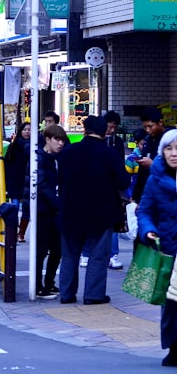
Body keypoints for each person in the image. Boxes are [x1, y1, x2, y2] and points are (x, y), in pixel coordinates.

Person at [57, 116, 130, 305]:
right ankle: (93, 295)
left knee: (70, 255)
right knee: (98, 255)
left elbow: (61, 181)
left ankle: (66, 294)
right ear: (104, 131)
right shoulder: (109, 154)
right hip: (102, 212)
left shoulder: (68, 152)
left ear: (85, 130)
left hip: (71, 211)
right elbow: (123, 181)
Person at [136, 129, 177, 366]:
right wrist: (148, 230)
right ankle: (173, 346)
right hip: (169, 249)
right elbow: (145, 210)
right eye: (169, 148)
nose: (174, 154)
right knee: (171, 301)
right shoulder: (155, 178)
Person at [35, 125, 67, 299]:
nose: (60, 143)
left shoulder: (57, 159)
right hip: (43, 210)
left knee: (57, 249)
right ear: (47, 139)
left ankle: (49, 283)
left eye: (62, 140)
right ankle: (39, 285)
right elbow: (42, 186)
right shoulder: (39, 158)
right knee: (42, 250)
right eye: (57, 139)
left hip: (54, 210)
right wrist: (58, 203)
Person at [134, 106, 172, 203]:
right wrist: (136, 197)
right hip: (149, 195)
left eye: (150, 126)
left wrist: (153, 165)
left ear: (160, 122)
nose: (147, 130)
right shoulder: (147, 140)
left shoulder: (171, 139)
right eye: (145, 127)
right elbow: (141, 174)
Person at [3, 122, 32, 242]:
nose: (26, 132)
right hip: (15, 180)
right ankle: (13, 231)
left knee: (27, 209)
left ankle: (21, 233)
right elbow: (7, 164)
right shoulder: (13, 146)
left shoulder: (35, 146)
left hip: (28, 181)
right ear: (20, 131)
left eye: (29, 130)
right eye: (25, 129)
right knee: (14, 206)